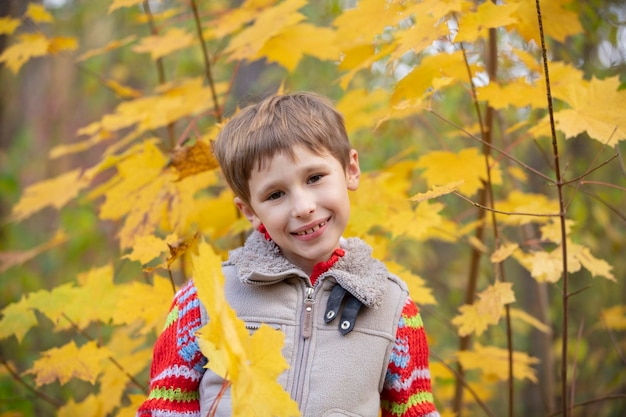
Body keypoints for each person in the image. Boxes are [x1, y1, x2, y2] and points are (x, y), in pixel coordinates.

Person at [137, 91, 440, 417]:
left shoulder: (392, 308)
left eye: (315, 178)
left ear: (351, 169)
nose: (303, 207)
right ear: (250, 210)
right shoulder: (206, 298)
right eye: (276, 194)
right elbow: (165, 407)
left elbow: (415, 411)